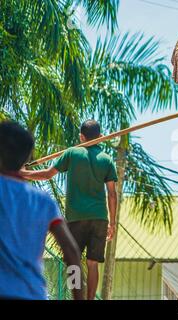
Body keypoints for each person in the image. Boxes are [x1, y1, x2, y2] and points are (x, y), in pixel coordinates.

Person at [21, 119, 118, 300]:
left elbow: (47, 174)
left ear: (82, 136)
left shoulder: (72, 153)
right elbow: (112, 194)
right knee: (92, 263)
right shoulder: (106, 159)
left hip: (76, 218)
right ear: (100, 137)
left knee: (73, 263)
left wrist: (23, 173)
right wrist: (112, 223)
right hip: (100, 218)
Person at [0, 121, 82, 300]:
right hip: (32, 294)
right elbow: (72, 253)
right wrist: (79, 297)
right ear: (27, 158)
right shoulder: (43, 202)